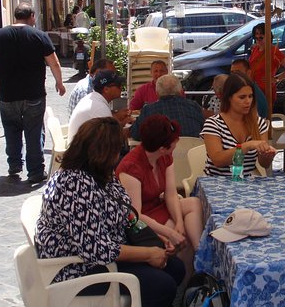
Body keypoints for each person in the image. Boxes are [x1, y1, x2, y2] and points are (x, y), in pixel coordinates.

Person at [36, 117, 185, 307]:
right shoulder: (74, 184)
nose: (120, 156)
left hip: (108, 253)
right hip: (79, 269)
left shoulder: (101, 174)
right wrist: (148, 253)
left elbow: (126, 213)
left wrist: (153, 238)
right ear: (105, 153)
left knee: (176, 268)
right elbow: (97, 249)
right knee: (162, 286)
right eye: (118, 151)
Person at [0, 3, 66, 183]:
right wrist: (59, 82)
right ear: (31, 16)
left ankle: (14, 164)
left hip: (8, 93)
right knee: (34, 131)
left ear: (16, 16)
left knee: (11, 130)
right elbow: (53, 62)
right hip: (34, 93)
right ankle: (35, 171)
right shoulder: (39, 36)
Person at [118, 114, 204, 252]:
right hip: (140, 219)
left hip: (157, 206)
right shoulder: (131, 168)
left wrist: (179, 222)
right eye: (175, 141)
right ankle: (191, 265)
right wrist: (170, 231)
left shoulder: (164, 157)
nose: (177, 142)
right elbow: (135, 215)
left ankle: (200, 252)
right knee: (181, 234)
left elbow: (171, 194)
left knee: (194, 203)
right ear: (162, 148)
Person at [200, 73, 276, 177]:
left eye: (250, 96)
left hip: (246, 183)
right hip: (217, 183)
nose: (248, 101)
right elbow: (218, 160)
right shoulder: (213, 124)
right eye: (242, 97)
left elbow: (264, 164)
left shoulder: (259, 124)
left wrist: (267, 156)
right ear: (229, 98)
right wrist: (246, 146)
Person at [131, 75, 204, 139]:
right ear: (181, 91)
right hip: (191, 153)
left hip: (161, 153)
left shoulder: (148, 110)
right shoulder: (194, 106)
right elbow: (203, 129)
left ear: (157, 93)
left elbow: (135, 134)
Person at [68, 70, 132, 142]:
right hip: (83, 151)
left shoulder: (93, 99)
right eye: (118, 85)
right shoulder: (100, 107)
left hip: (79, 146)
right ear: (106, 89)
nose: (121, 87)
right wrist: (134, 130)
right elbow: (111, 138)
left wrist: (120, 120)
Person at [247, 22, 285, 102]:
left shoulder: (273, 51)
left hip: (265, 92)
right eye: (256, 34)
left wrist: (276, 79)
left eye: (261, 34)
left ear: (267, 36)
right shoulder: (256, 49)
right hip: (253, 90)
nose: (258, 37)